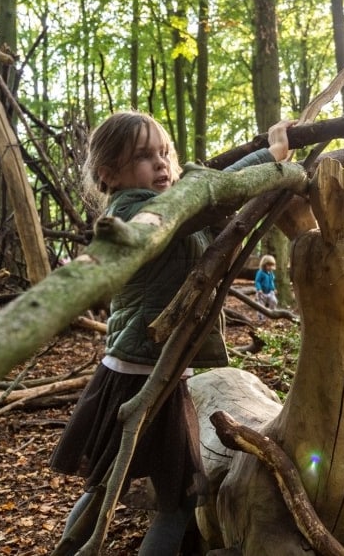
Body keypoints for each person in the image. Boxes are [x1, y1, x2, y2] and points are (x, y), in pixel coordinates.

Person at [49, 111, 294, 555]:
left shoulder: (173, 212)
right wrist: (268, 157)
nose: (161, 163)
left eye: (165, 153)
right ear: (110, 174)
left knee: (122, 489)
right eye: (145, 156)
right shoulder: (137, 213)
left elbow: (215, 209)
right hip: (141, 375)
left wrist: (265, 166)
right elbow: (210, 193)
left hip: (155, 373)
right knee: (158, 500)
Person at [254, 254, 278, 321]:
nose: (270, 267)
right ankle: (261, 318)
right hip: (261, 292)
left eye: (272, 265)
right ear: (264, 265)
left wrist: (273, 288)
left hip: (270, 292)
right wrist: (259, 289)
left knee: (274, 301)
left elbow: (271, 282)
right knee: (261, 305)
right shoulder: (260, 272)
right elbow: (257, 281)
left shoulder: (271, 273)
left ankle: (271, 314)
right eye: (268, 265)